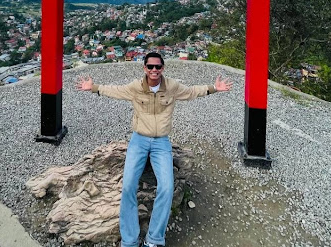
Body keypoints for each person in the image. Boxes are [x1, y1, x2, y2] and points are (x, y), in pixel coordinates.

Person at [76, 52, 233, 247]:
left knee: (166, 187)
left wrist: (214, 88)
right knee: (128, 186)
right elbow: (115, 90)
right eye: (150, 66)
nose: (154, 70)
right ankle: (130, 240)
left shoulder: (172, 87)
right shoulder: (136, 87)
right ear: (144, 68)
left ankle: (154, 239)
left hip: (161, 142)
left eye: (158, 66)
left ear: (163, 68)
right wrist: (94, 88)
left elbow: (191, 91)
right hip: (139, 140)